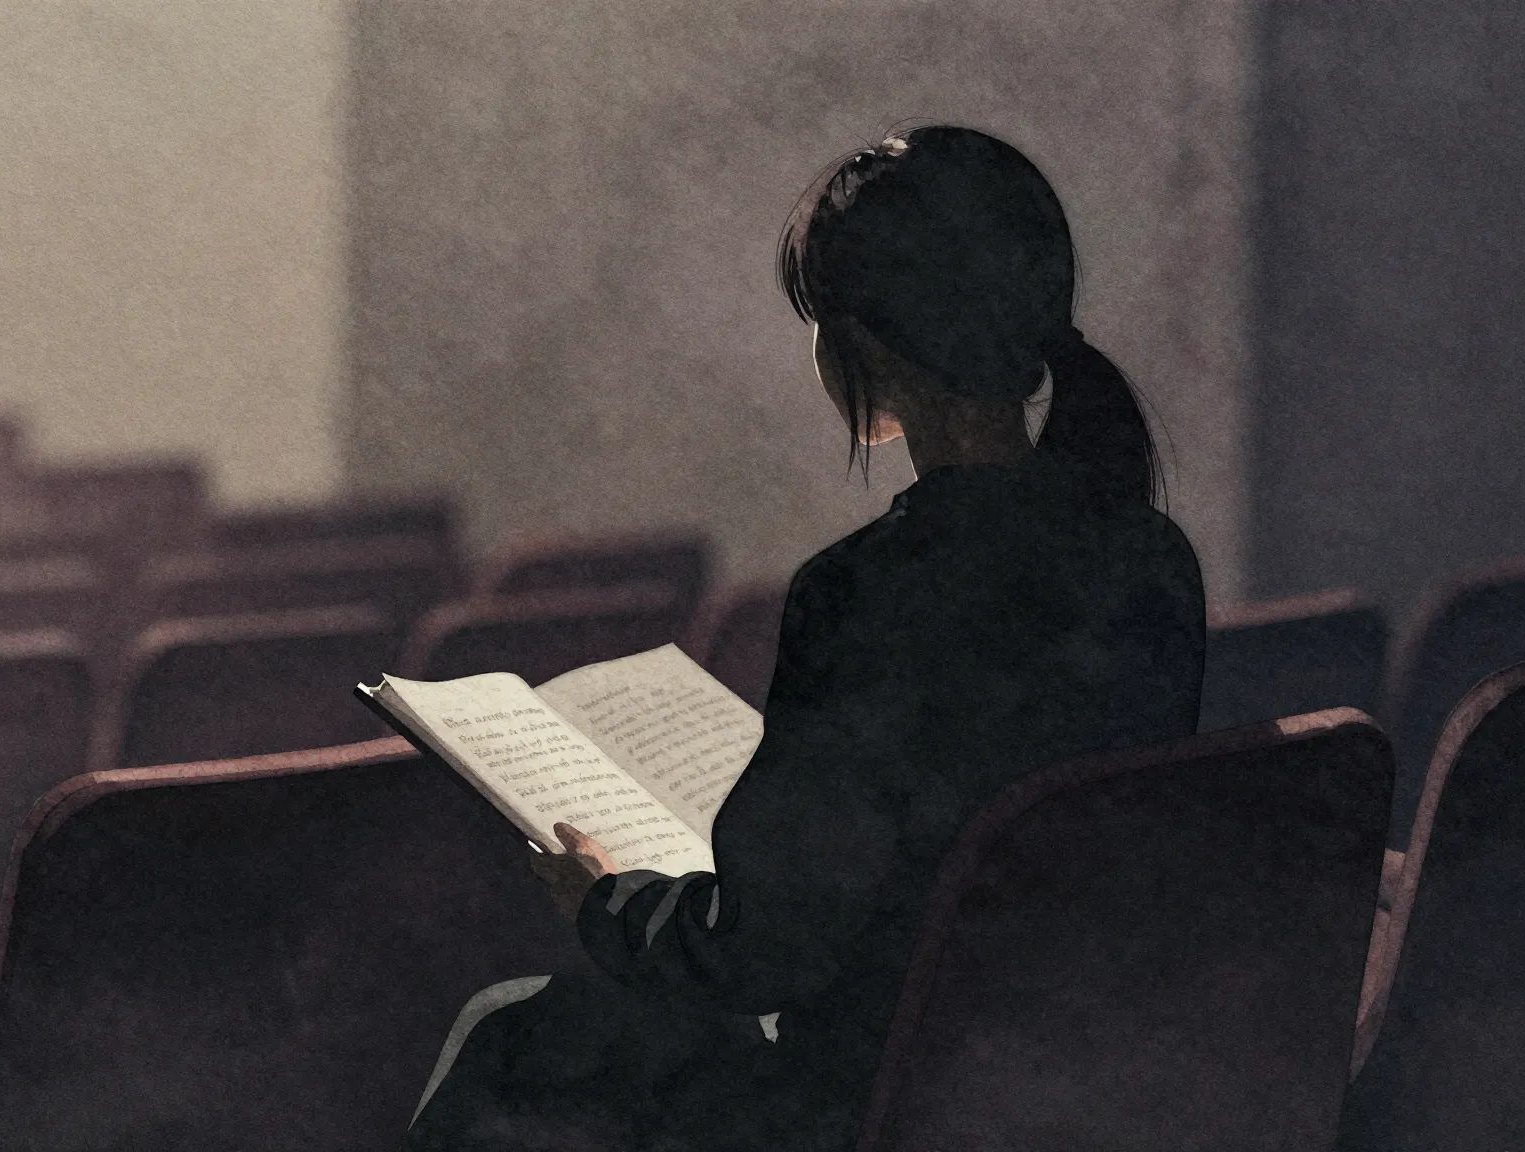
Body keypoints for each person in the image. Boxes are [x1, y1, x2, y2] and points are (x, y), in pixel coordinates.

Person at [402, 124, 1207, 1152]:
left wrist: (608, 902)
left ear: (864, 346)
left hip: (878, 1109)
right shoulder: (1152, 559)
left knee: (510, 1034)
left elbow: (762, 953)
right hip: (1072, 1088)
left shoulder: (866, 592)